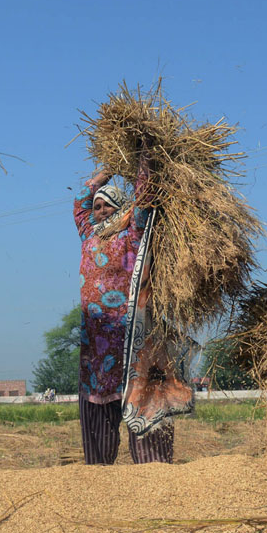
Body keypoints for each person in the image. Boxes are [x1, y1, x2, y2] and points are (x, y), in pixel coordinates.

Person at [73, 158, 180, 464]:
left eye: (107, 205)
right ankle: (99, 469)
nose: (101, 210)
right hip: (96, 343)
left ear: (121, 206)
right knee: (97, 403)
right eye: (97, 206)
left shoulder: (132, 232)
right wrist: (106, 172)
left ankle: (152, 470)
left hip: (130, 333)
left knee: (141, 393)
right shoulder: (88, 235)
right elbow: (79, 203)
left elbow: (144, 200)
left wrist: (139, 162)